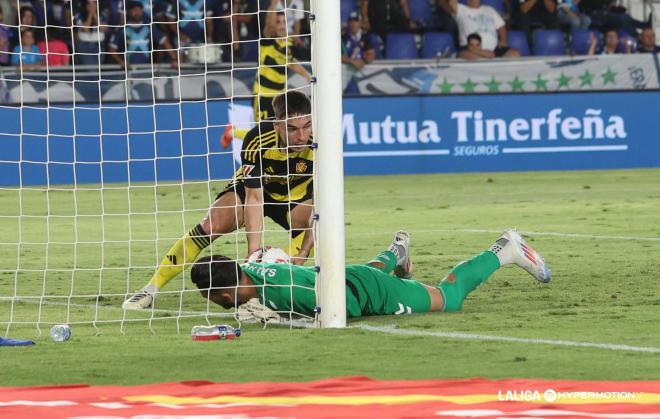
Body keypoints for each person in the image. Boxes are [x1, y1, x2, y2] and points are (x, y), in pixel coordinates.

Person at [122, 90, 315, 310]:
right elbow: (254, 197)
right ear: (276, 125)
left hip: (295, 195)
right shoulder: (257, 140)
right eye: (292, 128)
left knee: (314, 225)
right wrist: (253, 251)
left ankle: (264, 286)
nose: (302, 136)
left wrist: (303, 254)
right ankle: (150, 289)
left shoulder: (321, 141)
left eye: (307, 126)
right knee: (211, 225)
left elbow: (323, 207)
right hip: (253, 190)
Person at [190, 229, 551, 318]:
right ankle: (396, 252)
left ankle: (505, 249)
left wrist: (294, 317)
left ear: (222, 294)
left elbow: (341, 305)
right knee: (366, 268)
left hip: (371, 292)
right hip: (346, 274)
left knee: (449, 298)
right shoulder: (251, 265)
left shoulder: (282, 295)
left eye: (212, 299)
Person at [252, 0, 311, 121]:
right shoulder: (268, 40)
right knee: (260, 132)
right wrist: (274, 4)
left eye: (284, 22)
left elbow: (289, 61)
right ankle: (232, 132)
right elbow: (270, 26)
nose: (281, 25)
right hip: (263, 94)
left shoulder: (289, 42)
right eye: (278, 22)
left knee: (280, 132)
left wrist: (307, 75)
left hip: (280, 96)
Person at [108, 1, 178, 68]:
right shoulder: (122, 29)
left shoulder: (149, 27)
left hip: (146, 69)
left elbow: (164, 41)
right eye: (134, 10)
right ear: (129, 12)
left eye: (139, 10)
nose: (137, 12)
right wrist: (121, 62)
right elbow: (112, 49)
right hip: (128, 70)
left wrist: (174, 58)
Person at [447, 0, 520, 58]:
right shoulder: (461, 9)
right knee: (467, 56)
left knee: (514, 54)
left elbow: (501, 26)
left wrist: (503, 40)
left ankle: (488, 58)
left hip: (494, 49)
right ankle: (487, 57)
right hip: (471, 49)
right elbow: (451, 3)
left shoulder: (489, 9)